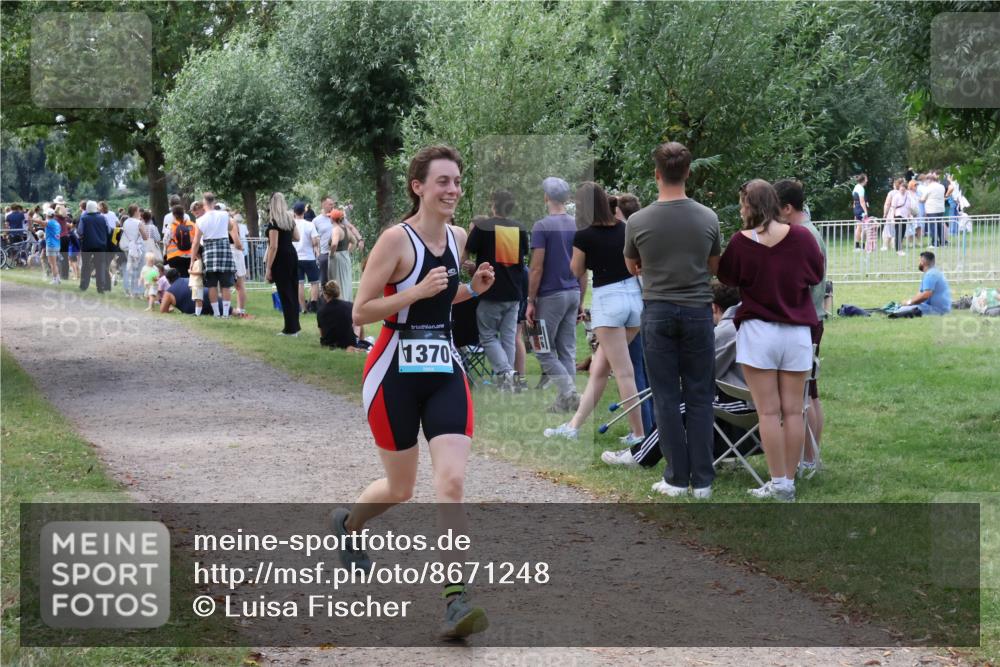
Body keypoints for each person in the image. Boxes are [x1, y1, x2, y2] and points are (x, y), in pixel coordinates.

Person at [333, 145, 495, 639]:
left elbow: (442, 300)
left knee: (450, 484)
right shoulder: (394, 241)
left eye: (457, 181)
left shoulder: (458, 236)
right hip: (392, 372)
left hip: (443, 367)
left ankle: (455, 601)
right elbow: (360, 312)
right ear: (418, 186)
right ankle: (349, 525)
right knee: (401, 489)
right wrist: (416, 292)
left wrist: (474, 289)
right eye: (442, 181)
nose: (452, 190)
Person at [624, 141, 721, 498]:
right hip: (698, 311)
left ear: (656, 174)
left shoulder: (638, 220)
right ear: (689, 173)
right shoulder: (708, 217)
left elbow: (631, 265)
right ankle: (704, 480)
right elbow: (715, 266)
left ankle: (677, 477)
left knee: (665, 396)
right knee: (700, 394)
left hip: (658, 310)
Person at [717, 179, 823, 502]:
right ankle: (787, 483)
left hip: (759, 331)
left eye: (742, 204)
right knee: (794, 411)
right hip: (796, 332)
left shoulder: (740, 242)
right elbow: (816, 275)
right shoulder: (802, 237)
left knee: (767, 412)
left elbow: (726, 278)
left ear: (749, 206)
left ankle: (778, 482)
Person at [602, 282, 753, 467]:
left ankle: (640, 456)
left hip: (746, 402)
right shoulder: (745, 323)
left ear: (713, 307)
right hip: (752, 399)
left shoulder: (728, 329)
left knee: (679, 405)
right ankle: (723, 456)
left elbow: (704, 371)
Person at [544, 182, 645, 445]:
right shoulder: (626, 229)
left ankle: (639, 435)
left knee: (624, 373)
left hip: (608, 301)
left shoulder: (585, 236)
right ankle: (574, 426)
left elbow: (575, 271)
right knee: (599, 369)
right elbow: (636, 264)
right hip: (634, 300)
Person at [774, 178, 826, 475]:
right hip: (813, 317)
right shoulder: (810, 231)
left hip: (807, 319)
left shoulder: (802, 234)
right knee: (811, 392)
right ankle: (810, 457)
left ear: (787, 208)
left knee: (804, 395)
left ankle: (807, 457)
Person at [526, 176, 584, 413]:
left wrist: (530, 301)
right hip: (572, 292)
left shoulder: (542, 226)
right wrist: (580, 298)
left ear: (546, 197)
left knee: (541, 347)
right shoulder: (577, 225)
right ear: (567, 198)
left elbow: (536, 267)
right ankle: (564, 403)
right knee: (567, 348)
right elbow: (583, 268)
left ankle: (569, 391)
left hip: (551, 295)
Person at [464, 189, 529, 391]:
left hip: (491, 290)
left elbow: (466, 251)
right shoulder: (519, 228)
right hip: (514, 292)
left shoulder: (484, 227)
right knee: (508, 338)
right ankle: (507, 384)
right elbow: (516, 258)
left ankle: (505, 372)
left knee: (488, 336)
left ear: (493, 204)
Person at [190, 192, 239, 318]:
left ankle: (217, 313)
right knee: (226, 285)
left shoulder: (200, 220)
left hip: (209, 252)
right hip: (224, 250)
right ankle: (226, 313)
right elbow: (230, 226)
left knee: (212, 285)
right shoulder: (224, 214)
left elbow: (195, 242)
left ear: (204, 203)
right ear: (214, 201)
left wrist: (192, 261)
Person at [264, 192, 301, 336]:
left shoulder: (274, 222)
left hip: (281, 258)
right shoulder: (289, 219)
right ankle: (294, 327)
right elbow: (297, 237)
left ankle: (290, 329)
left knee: (285, 293)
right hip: (292, 255)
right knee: (293, 290)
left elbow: (273, 246)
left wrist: (268, 268)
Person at [317, 280, 371, 352]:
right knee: (358, 322)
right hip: (348, 343)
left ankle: (359, 342)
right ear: (338, 292)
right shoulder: (350, 306)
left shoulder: (320, 311)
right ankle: (361, 341)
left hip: (328, 343)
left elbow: (322, 334)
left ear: (325, 294)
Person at [894, 251, 952, 316]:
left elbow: (926, 294)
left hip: (937, 309)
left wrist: (909, 302)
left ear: (923, 262)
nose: (919, 263)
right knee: (902, 307)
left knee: (900, 310)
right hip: (940, 308)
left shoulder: (930, 275)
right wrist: (910, 302)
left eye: (919, 261)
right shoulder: (934, 272)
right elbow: (921, 293)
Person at [292, 202, 321, 313]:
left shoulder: (291, 224)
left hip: (295, 257)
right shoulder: (309, 224)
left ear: (294, 212)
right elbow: (314, 242)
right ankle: (313, 306)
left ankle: (303, 308)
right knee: (314, 282)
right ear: (304, 212)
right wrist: (316, 241)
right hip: (309, 257)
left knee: (300, 284)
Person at [77, 201, 111, 293]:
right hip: (101, 245)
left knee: (85, 266)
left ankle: (83, 286)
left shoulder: (84, 218)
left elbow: (80, 232)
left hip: (87, 245)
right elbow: (108, 230)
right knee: (100, 266)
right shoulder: (103, 218)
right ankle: (100, 288)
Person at [119, 204, 148, 297]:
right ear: (135, 212)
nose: (140, 212)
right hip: (137, 248)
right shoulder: (139, 222)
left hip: (128, 247)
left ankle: (129, 290)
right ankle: (136, 291)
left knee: (130, 269)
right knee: (138, 270)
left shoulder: (126, 222)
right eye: (139, 211)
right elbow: (145, 237)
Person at [164, 205, 195, 277]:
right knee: (190, 278)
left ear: (173, 215)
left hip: (174, 257)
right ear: (184, 213)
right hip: (191, 256)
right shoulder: (192, 225)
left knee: (178, 278)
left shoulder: (171, 226)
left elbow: (166, 241)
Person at [313, 198, 336, 287]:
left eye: (333, 204)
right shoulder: (316, 220)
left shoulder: (337, 217)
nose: (332, 206)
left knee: (336, 279)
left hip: (337, 252)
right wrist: (317, 252)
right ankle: (324, 299)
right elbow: (313, 238)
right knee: (324, 281)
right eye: (330, 204)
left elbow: (348, 228)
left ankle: (338, 299)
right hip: (324, 254)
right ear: (323, 205)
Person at [921, 172, 946, 248]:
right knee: (940, 226)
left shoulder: (929, 187)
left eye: (926, 180)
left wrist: (919, 199)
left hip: (932, 209)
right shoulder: (942, 186)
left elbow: (923, 199)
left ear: (929, 180)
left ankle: (934, 243)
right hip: (941, 208)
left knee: (933, 226)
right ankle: (942, 242)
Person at [852, 174, 868, 251]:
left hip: (856, 209)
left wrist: (854, 211)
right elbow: (862, 201)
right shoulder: (861, 188)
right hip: (860, 209)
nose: (867, 180)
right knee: (862, 228)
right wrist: (866, 212)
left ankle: (858, 245)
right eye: (866, 179)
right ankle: (859, 246)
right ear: (863, 180)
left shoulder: (856, 187)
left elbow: (854, 201)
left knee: (859, 227)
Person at [44, 209, 61, 284]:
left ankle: (55, 280)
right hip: (56, 244)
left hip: (51, 244)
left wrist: (32, 219)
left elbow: (42, 222)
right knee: (53, 263)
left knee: (52, 263)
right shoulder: (56, 223)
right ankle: (58, 278)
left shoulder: (49, 222)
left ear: (47, 215)